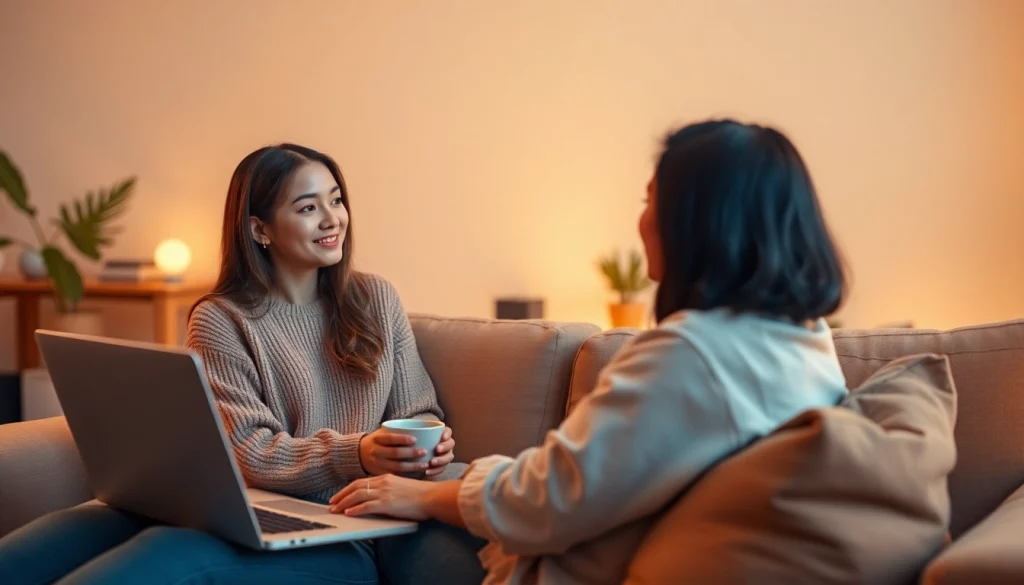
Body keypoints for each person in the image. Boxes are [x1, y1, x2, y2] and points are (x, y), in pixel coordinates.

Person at [329, 119, 852, 584]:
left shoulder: (691, 354)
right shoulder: (807, 337)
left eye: (650, 201)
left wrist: (425, 496)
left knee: (392, 532)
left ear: (699, 221)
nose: (642, 221)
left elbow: (548, 499)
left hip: (588, 564)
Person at [0, 144, 486, 585]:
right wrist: (355, 451)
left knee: (168, 553)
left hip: (342, 530)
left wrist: (429, 445)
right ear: (259, 230)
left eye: (336, 200)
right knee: (57, 539)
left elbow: (420, 411)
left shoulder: (374, 298)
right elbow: (251, 451)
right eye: (308, 207)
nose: (332, 219)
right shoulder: (221, 318)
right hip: (246, 510)